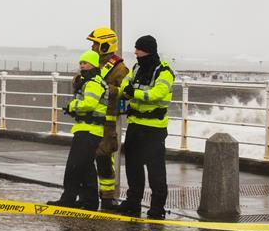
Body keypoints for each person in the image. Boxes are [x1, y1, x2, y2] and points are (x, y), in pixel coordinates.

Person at [116, 35, 175, 219]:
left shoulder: (164, 71)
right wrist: (126, 91)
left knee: (155, 170)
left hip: (154, 128)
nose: (135, 52)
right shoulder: (136, 68)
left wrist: (134, 93)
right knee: (133, 167)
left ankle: (157, 208)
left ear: (147, 50)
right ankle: (133, 203)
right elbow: (125, 84)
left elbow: (158, 94)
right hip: (135, 124)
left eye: (138, 49)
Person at [47, 50, 109, 211]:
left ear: (93, 64)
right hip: (88, 129)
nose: (82, 65)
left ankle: (68, 199)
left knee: (74, 166)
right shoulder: (90, 81)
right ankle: (90, 202)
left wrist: (72, 106)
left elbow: (89, 104)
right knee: (86, 167)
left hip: (89, 130)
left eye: (85, 63)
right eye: (81, 63)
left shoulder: (93, 83)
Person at [85, 27, 130, 211]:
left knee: (104, 159)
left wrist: (102, 88)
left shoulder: (119, 68)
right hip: (89, 119)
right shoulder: (92, 62)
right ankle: (88, 197)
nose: (92, 47)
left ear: (105, 45)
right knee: (86, 159)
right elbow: (80, 79)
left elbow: (124, 92)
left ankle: (107, 198)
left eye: (96, 44)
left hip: (107, 121)